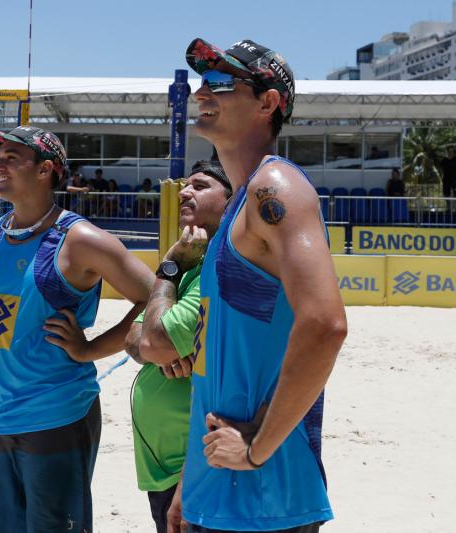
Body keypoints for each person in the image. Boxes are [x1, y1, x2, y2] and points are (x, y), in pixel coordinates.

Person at [166, 38, 348, 533]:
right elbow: (217, 368)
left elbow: (326, 325)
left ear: (268, 103)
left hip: (265, 501)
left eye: (222, 83)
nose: (203, 92)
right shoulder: (239, 209)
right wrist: (190, 480)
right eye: (204, 82)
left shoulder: (277, 188)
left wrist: (256, 448)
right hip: (217, 492)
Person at [0, 126, 153, 533]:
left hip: (56, 415)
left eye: (13, 157)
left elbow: (155, 299)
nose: (0, 164)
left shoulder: (79, 239)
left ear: (46, 169)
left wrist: (91, 349)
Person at [124, 160, 231, 533]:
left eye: (200, 186)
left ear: (231, 201)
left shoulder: (218, 266)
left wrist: (168, 267)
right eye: (186, 185)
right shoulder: (193, 262)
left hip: (195, 463)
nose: (184, 192)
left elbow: (152, 343)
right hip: (170, 464)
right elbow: (133, 342)